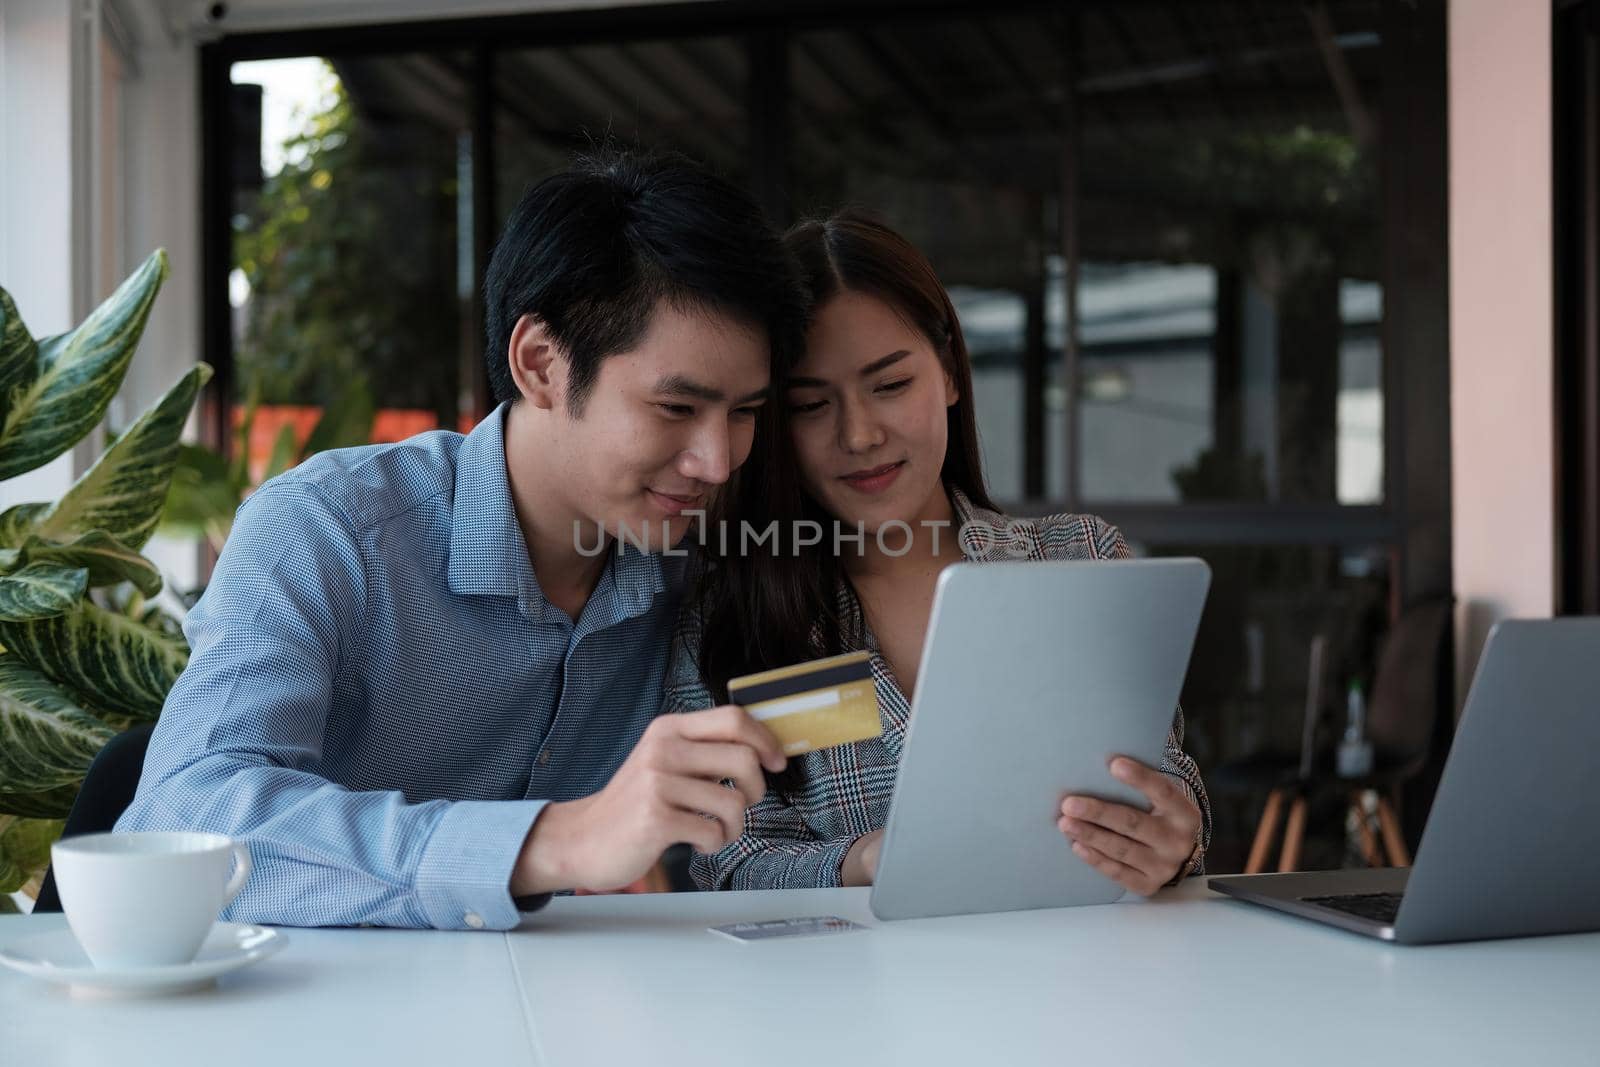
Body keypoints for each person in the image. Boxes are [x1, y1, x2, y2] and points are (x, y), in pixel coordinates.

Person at [116, 150, 804, 929]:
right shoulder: (326, 530)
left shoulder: (706, 555)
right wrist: (556, 841)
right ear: (540, 364)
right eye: (677, 408)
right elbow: (183, 822)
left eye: (745, 411)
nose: (716, 460)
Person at [664, 211, 1210, 895]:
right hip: (844, 996)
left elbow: (1160, 770)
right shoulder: (727, 615)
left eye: (891, 385)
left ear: (949, 373)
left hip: (1073, 981)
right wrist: (861, 860)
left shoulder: (1081, 560)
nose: (860, 434)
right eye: (810, 405)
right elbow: (727, 863)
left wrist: (1174, 838)